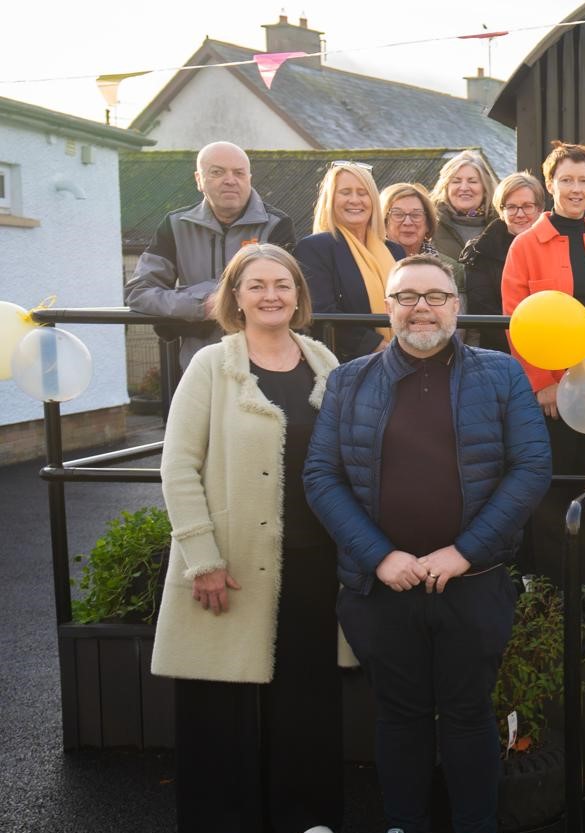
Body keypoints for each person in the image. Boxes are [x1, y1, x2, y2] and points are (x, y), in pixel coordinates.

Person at [304, 254, 550, 833]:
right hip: (380, 587)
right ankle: (405, 823)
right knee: (398, 716)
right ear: (387, 308)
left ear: (456, 306)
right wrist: (380, 557)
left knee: (468, 715)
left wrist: (464, 551)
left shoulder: (501, 374)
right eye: (406, 296)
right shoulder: (347, 380)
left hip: (474, 581)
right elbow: (321, 476)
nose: (421, 308)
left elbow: (532, 466)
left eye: (435, 296)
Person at [150, 244, 342, 833]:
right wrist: (200, 557)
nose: (271, 295)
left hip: (314, 560)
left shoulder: (323, 361)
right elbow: (178, 466)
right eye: (256, 285)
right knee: (219, 703)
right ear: (235, 295)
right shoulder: (212, 364)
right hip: (228, 561)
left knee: (306, 699)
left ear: (298, 295)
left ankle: (303, 817)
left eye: (282, 284)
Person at [500, 142, 585, 581]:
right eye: (567, 180)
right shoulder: (525, 246)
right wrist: (543, 384)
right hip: (551, 394)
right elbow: (515, 321)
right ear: (550, 184)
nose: (576, 189)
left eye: (583, 180)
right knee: (553, 491)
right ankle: (555, 589)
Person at [125, 141, 296, 366]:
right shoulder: (176, 225)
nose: (230, 180)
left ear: (249, 179)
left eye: (239, 173)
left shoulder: (277, 224)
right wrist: (200, 305)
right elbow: (138, 293)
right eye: (217, 172)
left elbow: (287, 294)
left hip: (262, 361)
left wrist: (211, 299)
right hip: (197, 363)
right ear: (199, 180)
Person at [293, 161, 405, 362]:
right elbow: (320, 312)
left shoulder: (395, 251)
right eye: (345, 192)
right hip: (346, 362)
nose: (355, 200)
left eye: (362, 193)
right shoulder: (314, 248)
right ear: (330, 200)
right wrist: (376, 346)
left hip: (402, 357)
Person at [460, 170, 545, 353]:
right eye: (512, 207)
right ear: (501, 211)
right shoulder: (481, 252)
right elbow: (484, 312)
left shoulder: (555, 247)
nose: (520, 214)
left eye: (527, 206)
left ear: (540, 209)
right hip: (502, 352)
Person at [381, 181, 464, 289]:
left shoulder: (452, 269)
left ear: (428, 224)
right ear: (384, 221)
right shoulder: (371, 264)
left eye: (416, 215)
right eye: (398, 214)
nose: (408, 222)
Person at [428, 149, 501, 260]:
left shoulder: (502, 224)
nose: (464, 188)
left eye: (472, 181)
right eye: (456, 181)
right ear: (446, 187)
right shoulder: (429, 223)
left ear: (485, 187)